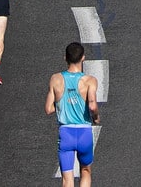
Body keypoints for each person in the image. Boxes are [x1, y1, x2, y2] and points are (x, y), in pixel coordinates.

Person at [46, 41, 100, 187]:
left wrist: (64, 102)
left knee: (67, 179)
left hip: (66, 134)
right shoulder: (90, 81)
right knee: (85, 171)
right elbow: (92, 105)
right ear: (83, 58)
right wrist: (96, 117)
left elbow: (49, 108)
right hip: (84, 133)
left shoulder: (55, 79)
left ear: (65, 58)